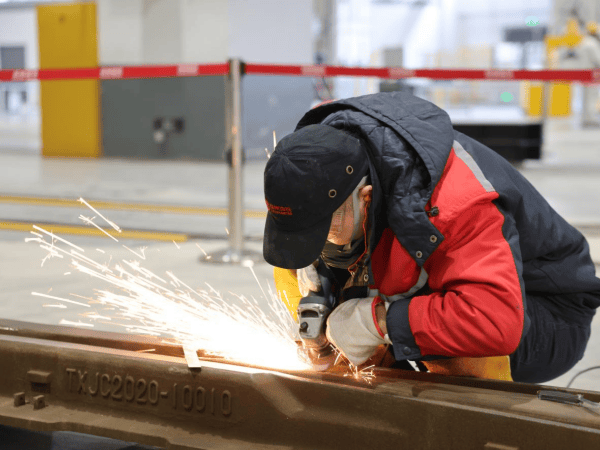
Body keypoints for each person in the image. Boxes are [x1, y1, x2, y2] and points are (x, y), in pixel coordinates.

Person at [264, 91, 600, 383]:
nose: (321, 240)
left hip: (544, 311)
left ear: (365, 198)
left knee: (445, 344)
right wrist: (318, 298)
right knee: (298, 272)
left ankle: (463, 422)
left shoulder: (455, 203)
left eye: (325, 227)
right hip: (461, 284)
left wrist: (375, 322)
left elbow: (494, 319)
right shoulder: (318, 167)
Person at [578, 22, 600, 127]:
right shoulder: (593, 44)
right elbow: (598, 60)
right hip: (591, 74)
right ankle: (591, 119)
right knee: (592, 96)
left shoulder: (584, 42)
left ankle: (585, 119)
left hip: (584, 73)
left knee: (585, 97)